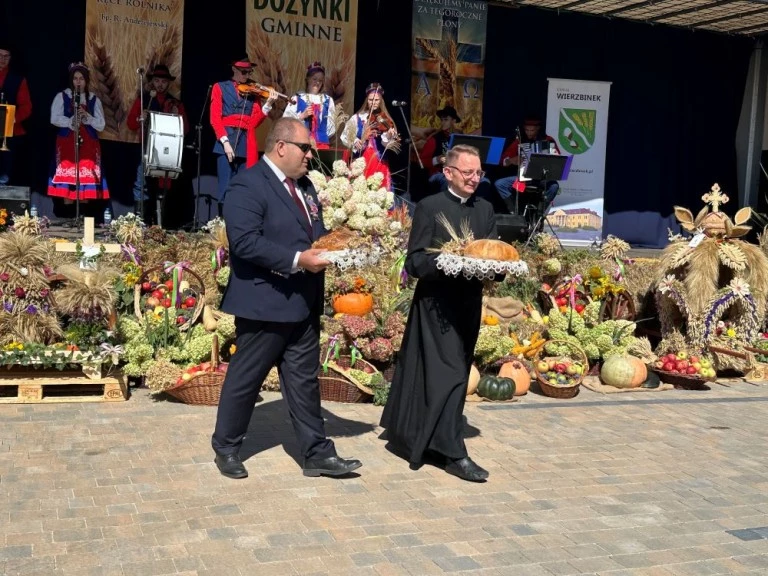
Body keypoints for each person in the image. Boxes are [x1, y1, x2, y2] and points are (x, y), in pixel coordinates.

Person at [211, 117, 362, 480]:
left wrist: (341, 246)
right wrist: (297, 260)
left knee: (304, 380)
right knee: (246, 378)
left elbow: (315, 233)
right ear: (281, 147)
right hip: (265, 302)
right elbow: (245, 242)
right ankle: (227, 447)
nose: (311, 155)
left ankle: (317, 454)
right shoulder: (247, 184)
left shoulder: (306, 187)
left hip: (303, 302)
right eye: (305, 148)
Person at [381, 144, 497, 483]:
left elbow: (494, 257)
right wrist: (448, 262)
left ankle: (422, 436)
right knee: (452, 374)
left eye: (479, 173)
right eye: (468, 172)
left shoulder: (486, 209)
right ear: (448, 172)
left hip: (468, 305)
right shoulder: (430, 207)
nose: (475, 178)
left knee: (456, 370)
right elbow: (415, 261)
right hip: (435, 306)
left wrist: (502, 268)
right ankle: (453, 452)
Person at [210, 55, 277, 205]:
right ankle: (222, 226)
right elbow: (215, 119)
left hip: (246, 142)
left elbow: (254, 122)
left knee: (243, 189)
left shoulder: (253, 93)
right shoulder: (219, 87)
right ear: (234, 69)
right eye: (243, 72)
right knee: (225, 188)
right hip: (226, 141)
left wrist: (268, 105)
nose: (246, 76)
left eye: (249, 72)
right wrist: (225, 142)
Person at [126, 64, 189, 218]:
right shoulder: (143, 100)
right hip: (146, 148)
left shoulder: (175, 103)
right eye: (157, 81)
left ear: (168, 83)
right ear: (152, 82)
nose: (160, 84)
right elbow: (130, 124)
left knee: (162, 187)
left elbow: (185, 129)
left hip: (165, 152)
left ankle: (159, 222)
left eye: (163, 81)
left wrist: (178, 117)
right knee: (141, 184)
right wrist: (140, 117)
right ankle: (140, 222)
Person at [47, 62, 109, 203]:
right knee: (68, 180)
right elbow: (54, 118)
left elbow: (101, 125)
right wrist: (71, 120)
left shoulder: (93, 99)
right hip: (67, 141)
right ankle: (69, 214)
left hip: (88, 144)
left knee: (85, 180)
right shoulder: (62, 96)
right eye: (75, 78)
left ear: (86, 81)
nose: (78, 82)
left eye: (81, 78)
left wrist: (87, 117)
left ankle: (82, 216)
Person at [418, 105, 493, 203]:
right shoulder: (435, 138)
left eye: (446, 119)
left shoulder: (461, 137)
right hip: (440, 173)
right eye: (442, 120)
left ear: (453, 121)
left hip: (462, 172)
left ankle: (474, 208)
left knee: (484, 182)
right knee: (448, 181)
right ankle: (449, 209)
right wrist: (437, 159)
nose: (443, 122)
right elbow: (422, 161)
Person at [494, 116, 560, 214]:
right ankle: (515, 214)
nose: (528, 132)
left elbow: (558, 160)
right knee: (500, 184)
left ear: (538, 129)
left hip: (541, 181)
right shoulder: (520, 141)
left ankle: (539, 213)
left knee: (554, 186)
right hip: (523, 183)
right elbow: (503, 160)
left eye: (532, 130)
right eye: (526, 130)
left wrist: (553, 157)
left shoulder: (548, 140)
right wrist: (511, 160)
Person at [340, 82, 398, 190]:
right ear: (367, 100)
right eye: (371, 100)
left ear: (380, 101)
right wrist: (356, 140)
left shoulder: (384, 119)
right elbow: (345, 136)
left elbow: (385, 144)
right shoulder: (357, 117)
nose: (373, 103)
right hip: (361, 160)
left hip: (378, 160)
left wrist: (389, 135)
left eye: (376, 100)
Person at [282, 61, 336, 150]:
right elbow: (286, 123)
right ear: (308, 79)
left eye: (320, 80)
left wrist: (321, 135)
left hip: (322, 145)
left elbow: (332, 126)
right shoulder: (297, 98)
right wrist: (302, 116)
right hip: (301, 144)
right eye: (314, 79)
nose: (317, 83)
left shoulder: (328, 100)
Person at [0, 41, 32, 186]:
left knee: (8, 175)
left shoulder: (18, 79)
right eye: (0, 55)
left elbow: (26, 107)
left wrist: (12, 119)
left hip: (10, 132)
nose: (3, 59)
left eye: (6, 56)